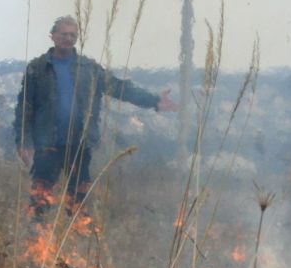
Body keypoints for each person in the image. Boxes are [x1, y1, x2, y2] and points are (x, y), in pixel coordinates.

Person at [14, 15, 178, 213]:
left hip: (80, 143)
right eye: (64, 34)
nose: (68, 38)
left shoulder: (89, 68)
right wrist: (23, 142)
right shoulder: (37, 68)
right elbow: (25, 108)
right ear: (53, 36)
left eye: (73, 35)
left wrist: (154, 101)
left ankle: (74, 239)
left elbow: (118, 87)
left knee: (77, 201)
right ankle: (36, 236)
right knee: (40, 199)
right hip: (47, 144)